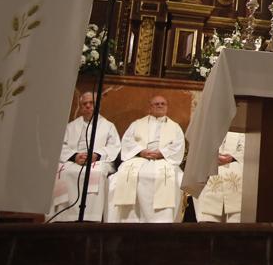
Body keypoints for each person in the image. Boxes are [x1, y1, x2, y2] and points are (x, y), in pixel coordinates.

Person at [108, 95, 185, 223]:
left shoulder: (175, 127)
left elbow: (178, 145)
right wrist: (141, 151)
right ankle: (129, 218)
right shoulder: (137, 124)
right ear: (150, 107)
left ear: (167, 107)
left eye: (162, 104)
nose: (160, 106)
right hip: (140, 158)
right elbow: (127, 141)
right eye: (156, 104)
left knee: (171, 178)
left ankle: (163, 219)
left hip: (164, 160)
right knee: (124, 175)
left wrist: (162, 153)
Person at [46, 92, 121, 222]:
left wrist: (96, 155)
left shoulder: (108, 126)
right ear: (80, 107)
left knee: (97, 172)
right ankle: (63, 216)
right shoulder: (71, 126)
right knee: (62, 172)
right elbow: (61, 145)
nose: (87, 106)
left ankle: (91, 216)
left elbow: (114, 146)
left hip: (97, 160)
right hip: (74, 160)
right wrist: (74, 156)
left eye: (91, 103)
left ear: (98, 106)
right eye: (84, 104)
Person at [193, 132, 245, 223]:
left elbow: (249, 149)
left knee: (236, 174)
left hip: (236, 166)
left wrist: (232, 157)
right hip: (208, 166)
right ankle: (208, 221)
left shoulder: (242, 128)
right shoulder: (208, 127)